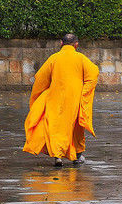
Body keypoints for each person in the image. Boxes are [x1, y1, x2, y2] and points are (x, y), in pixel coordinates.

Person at [23, 33, 99, 166]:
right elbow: (93, 74)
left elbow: (40, 78)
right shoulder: (81, 58)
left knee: (55, 125)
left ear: (61, 43)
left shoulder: (54, 58)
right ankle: (77, 156)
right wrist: (84, 93)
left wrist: (39, 96)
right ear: (76, 44)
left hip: (55, 97)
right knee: (75, 128)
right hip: (74, 98)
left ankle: (57, 156)